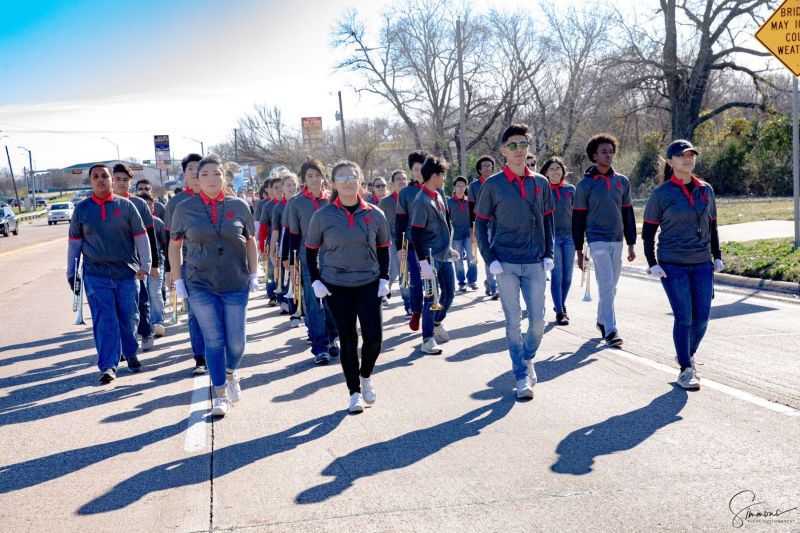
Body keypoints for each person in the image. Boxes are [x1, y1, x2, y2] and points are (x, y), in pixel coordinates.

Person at [169, 154, 259, 417]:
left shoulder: (239, 205)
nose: (210, 179)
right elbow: (174, 246)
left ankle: (231, 372)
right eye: (204, 174)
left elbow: (250, 241)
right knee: (214, 339)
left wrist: (254, 273)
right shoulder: (184, 209)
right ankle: (219, 392)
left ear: (224, 178)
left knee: (236, 343)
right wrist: (177, 279)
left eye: (216, 174)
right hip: (200, 283)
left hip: (235, 282)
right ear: (196, 179)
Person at [475, 123, 555, 399]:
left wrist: (549, 254)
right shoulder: (493, 185)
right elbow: (480, 225)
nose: (518, 150)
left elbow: (548, 220)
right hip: (505, 263)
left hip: (534, 262)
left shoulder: (540, 183)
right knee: (512, 322)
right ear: (503, 151)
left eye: (523, 144)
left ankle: (527, 356)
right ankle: (520, 376)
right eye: (512, 146)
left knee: (537, 323)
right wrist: (490, 258)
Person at [306, 161, 391, 413]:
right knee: (348, 338)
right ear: (333, 183)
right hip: (336, 285)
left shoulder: (375, 213)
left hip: (369, 283)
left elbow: (384, 248)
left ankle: (366, 376)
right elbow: (310, 251)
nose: (347, 181)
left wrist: (385, 278)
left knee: (374, 338)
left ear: (360, 180)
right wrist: (316, 281)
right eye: (341, 177)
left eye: (352, 176)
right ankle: (353, 392)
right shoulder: (322, 216)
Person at [642, 140, 724, 390]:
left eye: (691, 155)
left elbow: (712, 226)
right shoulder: (661, 194)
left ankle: (686, 355)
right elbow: (648, 232)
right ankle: (686, 369)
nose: (688, 159)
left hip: (701, 263)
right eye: (681, 156)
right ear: (670, 162)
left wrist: (717, 255)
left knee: (702, 318)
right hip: (672, 264)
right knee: (684, 317)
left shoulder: (705, 189)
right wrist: (652, 263)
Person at [67, 163, 152, 383]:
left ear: (111, 179)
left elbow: (141, 238)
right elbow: (74, 245)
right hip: (96, 275)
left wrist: (146, 265)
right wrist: (72, 272)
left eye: (104, 176)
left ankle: (131, 353)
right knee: (104, 320)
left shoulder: (126, 206)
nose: (100, 179)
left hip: (127, 274)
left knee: (129, 317)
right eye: (95, 176)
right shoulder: (82, 210)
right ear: (91, 181)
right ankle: (108, 365)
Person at [572, 133, 637, 347]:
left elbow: (628, 213)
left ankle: (601, 320)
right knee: (607, 284)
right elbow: (579, 218)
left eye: (611, 151)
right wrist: (579, 250)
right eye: (603, 152)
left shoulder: (622, 181)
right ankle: (611, 330)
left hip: (617, 239)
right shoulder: (584, 185)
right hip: (596, 239)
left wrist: (631, 243)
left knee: (612, 286)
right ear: (594, 155)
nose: (608, 155)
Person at [285, 158, 340, 365]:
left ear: (324, 177)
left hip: (333, 259)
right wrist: (292, 264)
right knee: (313, 304)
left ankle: (333, 337)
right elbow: (293, 235)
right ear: (303, 179)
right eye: (310, 176)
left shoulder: (333, 200)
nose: (315, 180)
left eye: (318, 175)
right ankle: (320, 347)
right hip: (306, 259)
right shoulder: (296, 203)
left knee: (332, 302)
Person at [164, 153, 207, 375]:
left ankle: (217, 354)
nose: (195, 171)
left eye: (199, 167)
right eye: (191, 168)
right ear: (184, 173)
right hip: (190, 267)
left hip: (218, 267)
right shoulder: (175, 203)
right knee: (195, 313)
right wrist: (172, 271)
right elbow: (170, 242)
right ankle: (199, 357)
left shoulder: (219, 196)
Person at [410, 155, 456, 355]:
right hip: (430, 255)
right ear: (434, 175)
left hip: (444, 253)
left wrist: (450, 246)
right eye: (442, 174)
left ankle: (437, 322)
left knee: (450, 293)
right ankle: (427, 339)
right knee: (431, 297)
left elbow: (446, 222)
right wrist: (423, 263)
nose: (444, 178)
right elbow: (416, 233)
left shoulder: (439, 194)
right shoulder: (421, 200)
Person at [112, 164, 159, 352]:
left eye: (125, 180)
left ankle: (145, 330)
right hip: (112, 264)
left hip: (138, 263)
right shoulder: (104, 204)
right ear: (111, 180)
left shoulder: (139, 204)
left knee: (140, 302)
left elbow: (150, 235)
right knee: (117, 308)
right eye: (118, 179)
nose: (121, 183)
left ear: (130, 182)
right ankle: (124, 344)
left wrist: (153, 263)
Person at [395, 150, 430, 331]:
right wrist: (399, 247)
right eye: (415, 169)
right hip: (412, 245)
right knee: (416, 279)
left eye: (421, 168)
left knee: (433, 280)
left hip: (432, 244)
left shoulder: (436, 188)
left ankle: (432, 314)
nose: (419, 172)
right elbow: (400, 221)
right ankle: (416, 311)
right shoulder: (405, 193)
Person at [541, 156, 576, 326]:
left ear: (563, 171)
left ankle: (560, 304)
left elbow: (578, 215)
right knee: (557, 275)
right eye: (552, 169)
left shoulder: (570, 190)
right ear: (546, 173)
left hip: (570, 238)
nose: (556, 172)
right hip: (552, 238)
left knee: (568, 277)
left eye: (558, 168)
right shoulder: (542, 190)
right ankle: (560, 311)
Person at [378, 169, 411, 314]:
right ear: (392, 184)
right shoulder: (385, 202)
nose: (402, 181)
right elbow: (378, 222)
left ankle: (386, 287)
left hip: (412, 240)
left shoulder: (413, 197)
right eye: (398, 179)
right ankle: (408, 304)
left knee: (408, 273)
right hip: (394, 241)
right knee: (402, 272)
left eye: (404, 178)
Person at [138, 192, 167, 338]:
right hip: (139, 266)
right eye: (146, 205)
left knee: (155, 293)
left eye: (151, 204)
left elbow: (165, 245)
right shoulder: (134, 221)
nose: (149, 207)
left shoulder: (158, 223)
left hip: (157, 265)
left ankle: (157, 322)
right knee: (144, 296)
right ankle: (146, 324)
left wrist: (166, 268)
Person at [271, 173, 299, 320]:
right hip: (285, 244)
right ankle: (293, 312)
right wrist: (273, 251)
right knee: (289, 279)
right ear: (282, 187)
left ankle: (303, 311)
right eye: (288, 185)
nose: (291, 187)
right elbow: (277, 231)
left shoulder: (300, 202)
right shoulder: (278, 208)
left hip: (300, 245)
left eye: (294, 184)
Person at [469, 155, 498, 298]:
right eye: (484, 166)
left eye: (490, 165)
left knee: (498, 253)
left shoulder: (498, 182)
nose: (488, 168)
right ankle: (493, 287)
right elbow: (471, 209)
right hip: (483, 224)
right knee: (489, 253)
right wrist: (472, 230)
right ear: (479, 170)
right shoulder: (474, 186)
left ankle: (491, 282)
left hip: (499, 224)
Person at [447, 176, 478, 292]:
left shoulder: (470, 201)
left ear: (466, 187)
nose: (460, 188)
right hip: (455, 237)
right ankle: (461, 282)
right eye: (458, 186)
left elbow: (475, 217)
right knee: (458, 260)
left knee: (472, 258)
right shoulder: (449, 202)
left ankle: (472, 281)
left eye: (463, 186)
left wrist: (475, 234)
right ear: (454, 187)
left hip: (469, 234)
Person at [258, 178, 283, 307]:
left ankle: (283, 298)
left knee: (283, 272)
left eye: (281, 186)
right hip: (272, 244)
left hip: (286, 245)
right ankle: (272, 295)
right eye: (276, 188)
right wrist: (262, 249)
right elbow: (262, 229)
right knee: (271, 272)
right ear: (271, 191)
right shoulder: (267, 206)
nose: (279, 190)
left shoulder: (290, 203)